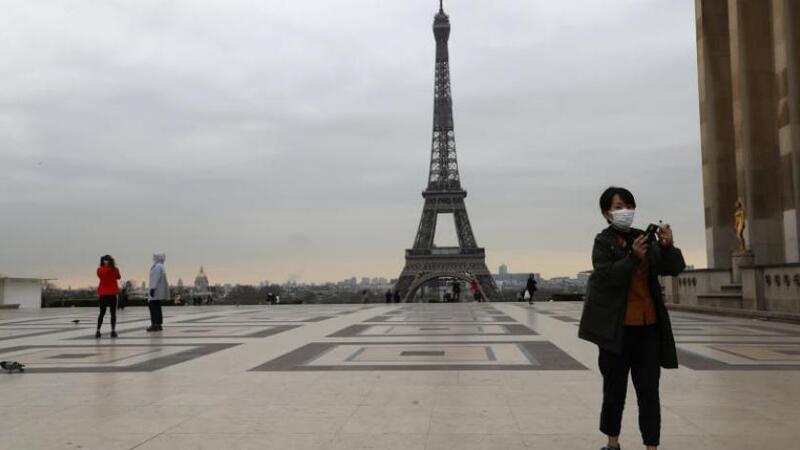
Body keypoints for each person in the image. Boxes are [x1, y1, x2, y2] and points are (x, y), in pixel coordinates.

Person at [578, 187, 686, 450]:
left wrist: (668, 246)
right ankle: (612, 443)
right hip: (617, 329)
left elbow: (674, 268)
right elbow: (606, 278)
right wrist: (632, 258)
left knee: (649, 392)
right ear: (606, 213)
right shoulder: (603, 242)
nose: (624, 211)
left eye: (628, 205)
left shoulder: (643, 238)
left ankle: (651, 446)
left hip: (648, 327)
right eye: (618, 207)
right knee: (614, 390)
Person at [95, 255, 120, 338]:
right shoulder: (115, 269)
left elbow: (99, 276)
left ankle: (98, 331)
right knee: (113, 313)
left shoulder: (99, 270)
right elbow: (118, 277)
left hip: (103, 294)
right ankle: (113, 331)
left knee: (102, 313)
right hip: (112, 293)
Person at [147, 252, 169, 332]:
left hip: (156, 291)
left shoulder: (157, 267)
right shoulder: (161, 266)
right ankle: (158, 324)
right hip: (158, 291)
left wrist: (152, 288)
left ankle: (155, 324)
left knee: (153, 308)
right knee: (157, 308)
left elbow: (155, 278)